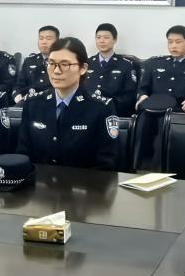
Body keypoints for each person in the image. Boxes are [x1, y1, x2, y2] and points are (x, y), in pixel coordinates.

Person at [16, 37, 117, 170]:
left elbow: (106, 165)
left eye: (65, 64)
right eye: (51, 63)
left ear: (83, 68)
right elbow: (23, 155)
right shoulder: (33, 104)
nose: (56, 71)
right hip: (39, 180)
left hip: (84, 182)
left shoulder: (100, 108)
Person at [136, 25, 185, 113]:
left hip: (180, 111)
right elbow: (143, 88)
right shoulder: (155, 63)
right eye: (170, 42)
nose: (173, 46)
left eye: (178, 42)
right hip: (152, 109)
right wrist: (143, 96)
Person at [87, 23, 139, 117]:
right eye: (98, 37)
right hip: (87, 110)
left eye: (106, 37)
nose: (101, 41)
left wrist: (111, 103)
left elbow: (130, 95)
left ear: (115, 39)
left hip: (114, 112)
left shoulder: (126, 65)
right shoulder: (87, 64)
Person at [13, 25, 59, 103]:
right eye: (41, 38)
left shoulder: (63, 62)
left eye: (48, 39)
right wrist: (17, 95)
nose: (44, 42)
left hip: (53, 101)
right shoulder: (29, 61)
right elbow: (19, 85)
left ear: (57, 41)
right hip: (30, 101)